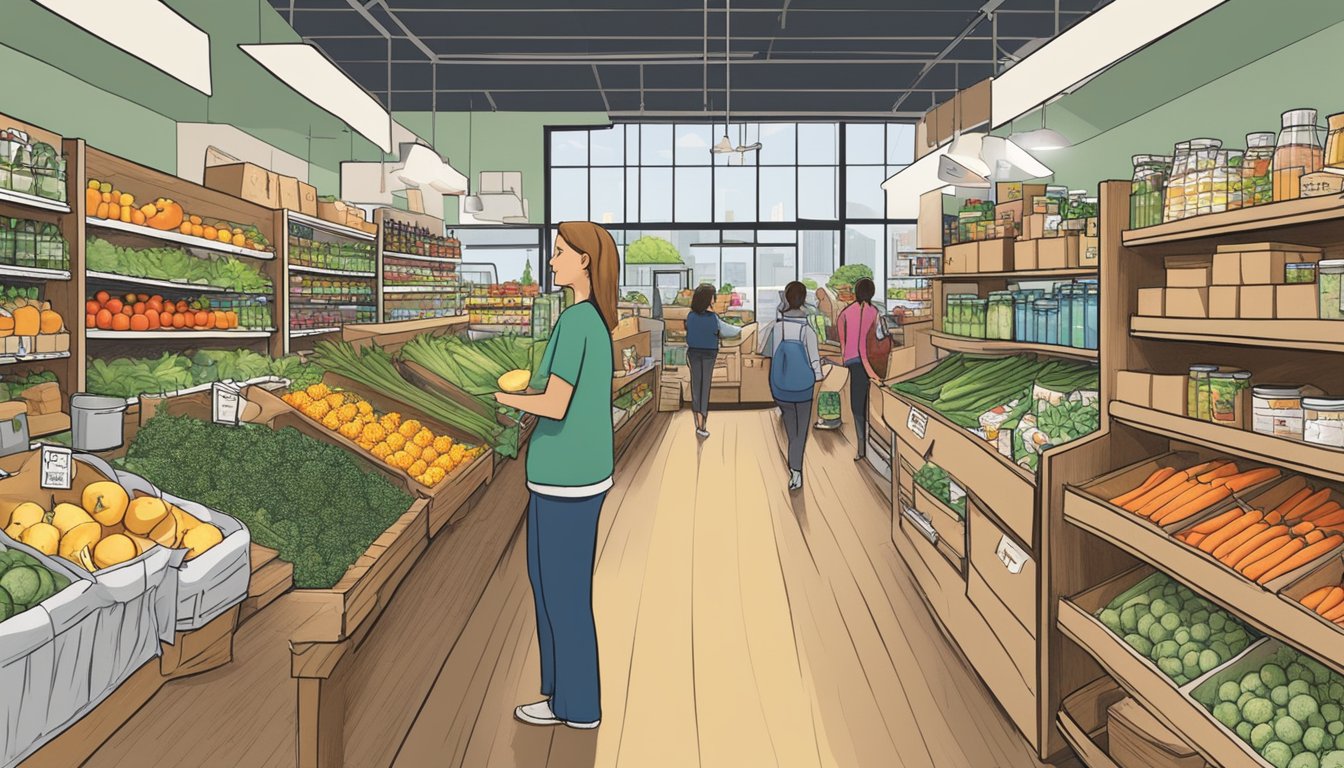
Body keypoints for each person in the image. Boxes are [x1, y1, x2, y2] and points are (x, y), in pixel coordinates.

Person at [494, 221, 618, 730]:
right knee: (549, 586)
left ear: (584, 260)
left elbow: (556, 403)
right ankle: (558, 695)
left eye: (560, 252)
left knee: (562, 592)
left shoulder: (577, 322)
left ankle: (581, 706)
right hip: (568, 475)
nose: (551, 261)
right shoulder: (591, 321)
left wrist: (502, 398)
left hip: (569, 478)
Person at [766, 281, 826, 491]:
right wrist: (819, 377)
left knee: (792, 430)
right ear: (803, 301)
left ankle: (795, 470)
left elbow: (775, 357)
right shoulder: (807, 330)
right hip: (803, 389)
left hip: (782, 387)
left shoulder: (778, 327)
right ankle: (796, 470)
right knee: (802, 431)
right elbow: (814, 361)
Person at [684, 284, 742, 438]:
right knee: (705, 386)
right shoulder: (713, 318)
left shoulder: (690, 316)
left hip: (693, 353)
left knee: (696, 386)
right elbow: (729, 331)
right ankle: (702, 423)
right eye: (712, 296)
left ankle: (698, 422)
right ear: (708, 298)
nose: (714, 298)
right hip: (709, 353)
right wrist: (742, 328)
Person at [836, 277, 881, 461]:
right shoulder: (875, 312)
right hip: (872, 364)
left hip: (854, 362)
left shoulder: (846, 313)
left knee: (857, 406)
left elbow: (842, 339)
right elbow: (878, 337)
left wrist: (846, 355)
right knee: (871, 405)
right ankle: (870, 445)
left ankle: (862, 446)